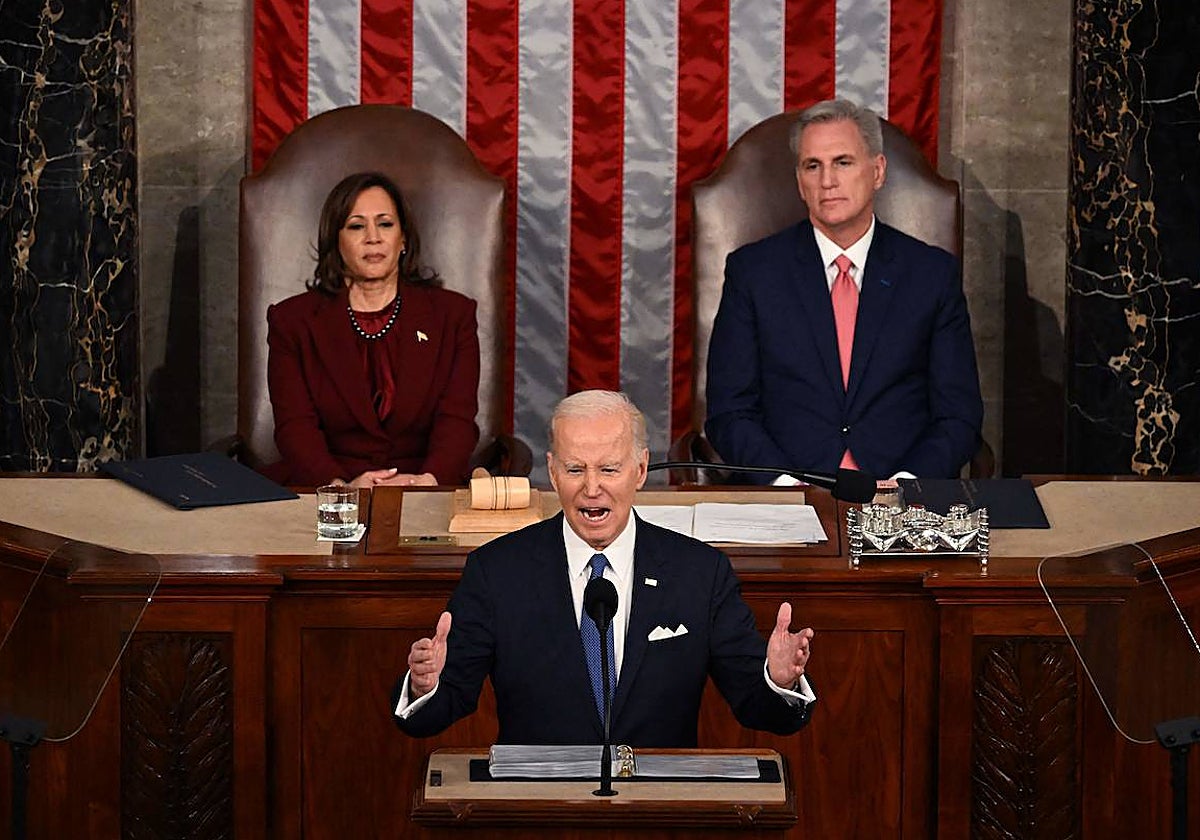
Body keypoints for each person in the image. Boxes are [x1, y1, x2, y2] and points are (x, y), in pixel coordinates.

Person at [393, 390, 816, 746]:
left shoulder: (699, 573)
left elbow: (757, 705)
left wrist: (779, 679)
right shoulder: (498, 571)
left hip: (659, 813)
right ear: (554, 472)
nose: (591, 488)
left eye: (609, 469)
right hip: (539, 810)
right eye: (575, 469)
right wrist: (425, 685)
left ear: (641, 469)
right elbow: (436, 711)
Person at [705, 99, 983, 482]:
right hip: (788, 497)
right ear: (800, 182)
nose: (827, 181)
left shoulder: (931, 274)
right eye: (812, 166)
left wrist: (908, 483)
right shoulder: (753, 273)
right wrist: (784, 484)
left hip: (900, 496)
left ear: (878, 171)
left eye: (843, 162)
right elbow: (730, 412)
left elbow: (958, 415)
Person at [264, 171, 480, 488]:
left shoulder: (453, 315)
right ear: (335, 241)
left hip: (427, 486)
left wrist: (427, 482)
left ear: (403, 238)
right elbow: (295, 426)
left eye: (385, 224)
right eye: (356, 226)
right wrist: (340, 488)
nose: (373, 237)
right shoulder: (292, 321)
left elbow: (457, 420)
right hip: (327, 490)